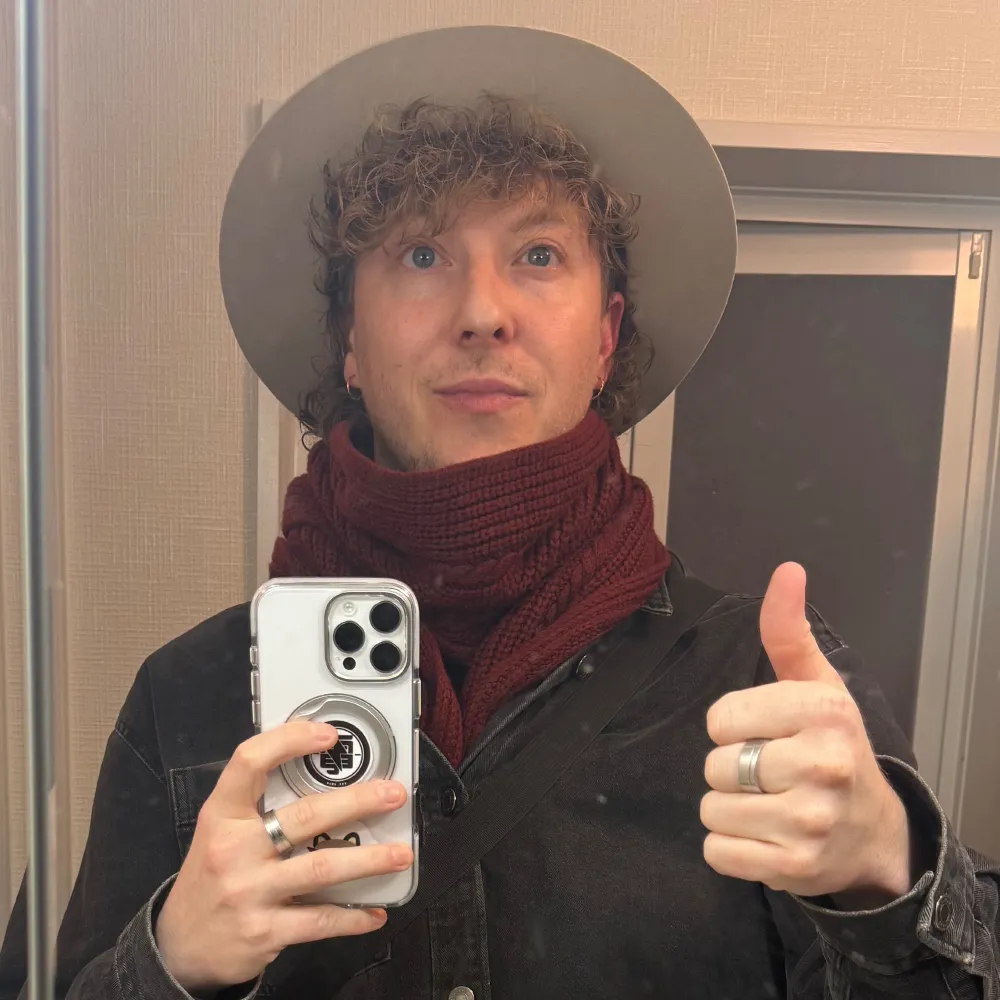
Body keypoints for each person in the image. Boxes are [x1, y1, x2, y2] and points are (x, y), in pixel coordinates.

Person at [2, 25, 998, 1000]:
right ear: (349, 340)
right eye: (421, 255)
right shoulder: (189, 702)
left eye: (538, 255)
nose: (483, 313)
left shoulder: (762, 680)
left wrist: (886, 875)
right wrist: (167, 964)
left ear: (604, 337)